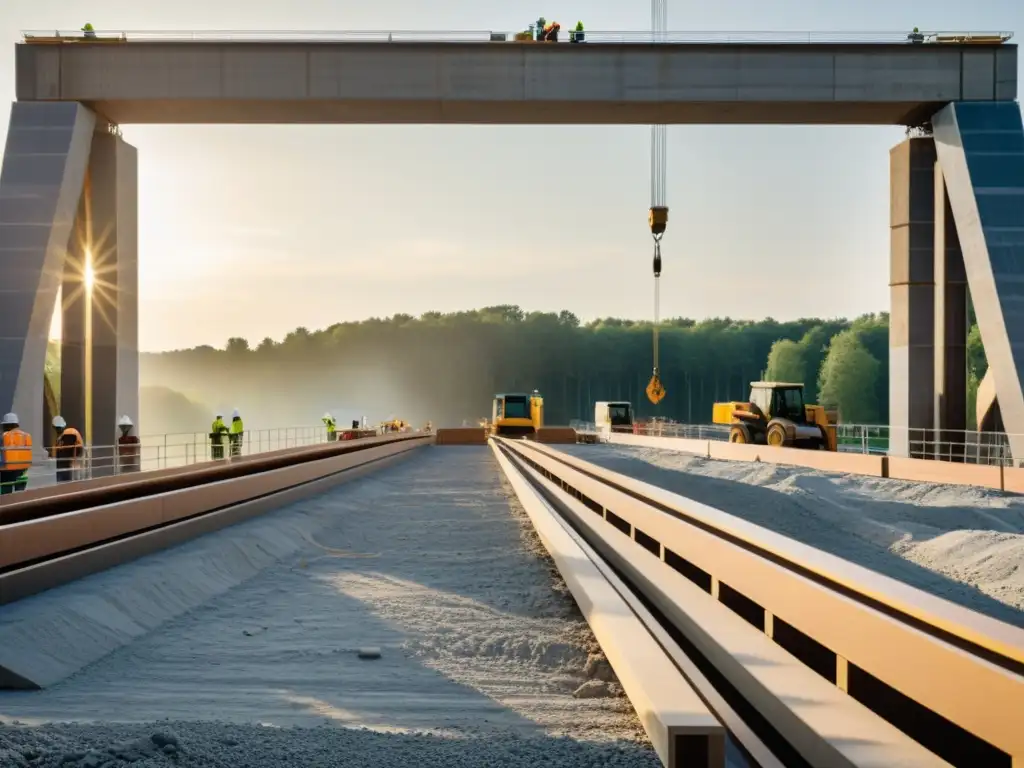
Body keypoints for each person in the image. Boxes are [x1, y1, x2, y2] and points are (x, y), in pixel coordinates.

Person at [0, 413, 32, 495]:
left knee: (6, 497)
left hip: (6, 474)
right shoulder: (26, 436)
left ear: (5, 425)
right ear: (17, 424)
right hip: (23, 473)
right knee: (20, 496)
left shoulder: (3, 437)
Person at [51, 416, 84, 483]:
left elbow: (67, 449)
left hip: (65, 463)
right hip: (66, 463)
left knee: (63, 480)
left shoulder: (69, 433)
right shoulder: (62, 437)